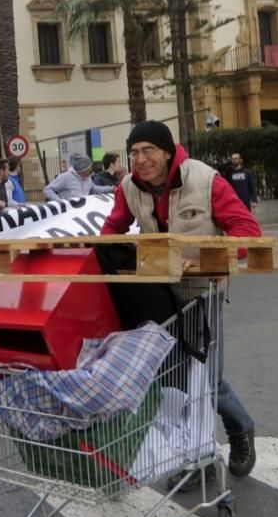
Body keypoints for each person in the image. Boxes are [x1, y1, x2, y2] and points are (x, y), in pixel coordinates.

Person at [101, 120, 261, 479]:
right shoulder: (129, 187)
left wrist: (220, 261)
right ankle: (196, 456)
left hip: (203, 292)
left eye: (149, 151)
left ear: (167, 151)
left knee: (207, 378)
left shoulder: (205, 180)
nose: (141, 160)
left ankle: (240, 429)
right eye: (134, 153)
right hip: (160, 294)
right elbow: (111, 230)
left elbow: (246, 229)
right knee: (175, 380)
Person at [44, 153, 115, 201]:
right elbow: (47, 190)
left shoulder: (87, 178)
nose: (91, 171)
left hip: (82, 211)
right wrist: (60, 201)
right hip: (69, 214)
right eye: (88, 169)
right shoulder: (65, 177)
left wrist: (111, 189)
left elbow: (95, 189)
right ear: (81, 170)